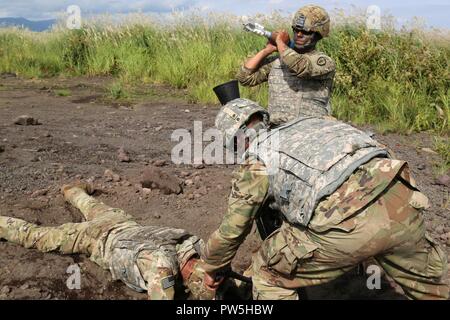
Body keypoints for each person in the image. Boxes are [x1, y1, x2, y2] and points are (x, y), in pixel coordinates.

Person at [196, 94, 449, 300]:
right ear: (263, 118)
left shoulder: (258, 159)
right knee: (428, 288)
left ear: (236, 142)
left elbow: (233, 229)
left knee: (266, 271)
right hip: (400, 197)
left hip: (346, 224)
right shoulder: (316, 122)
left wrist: (212, 265)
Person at [0, 182, 215, 300]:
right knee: (34, 236)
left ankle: (72, 189)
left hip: (121, 222)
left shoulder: (193, 244)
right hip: (95, 238)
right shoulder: (162, 268)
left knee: (89, 204)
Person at [237, 5, 336, 125]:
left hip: (310, 130)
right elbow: (245, 78)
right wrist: (267, 50)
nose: (299, 34)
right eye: (296, 30)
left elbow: (299, 67)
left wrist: (280, 42)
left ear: (319, 35)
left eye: (305, 32)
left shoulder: (323, 61)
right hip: (278, 129)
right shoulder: (278, 61)